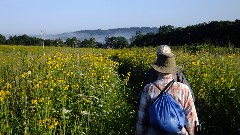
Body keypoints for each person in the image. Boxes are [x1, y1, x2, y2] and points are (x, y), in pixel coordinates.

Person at [136, 52, 199, 135]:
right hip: (178, 132)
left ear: (157, 70)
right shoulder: (184, 89)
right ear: (174, 71)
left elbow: (141, 118)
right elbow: (191, 117)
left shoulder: (148, 88)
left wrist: (139, 133)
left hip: (154, 131)